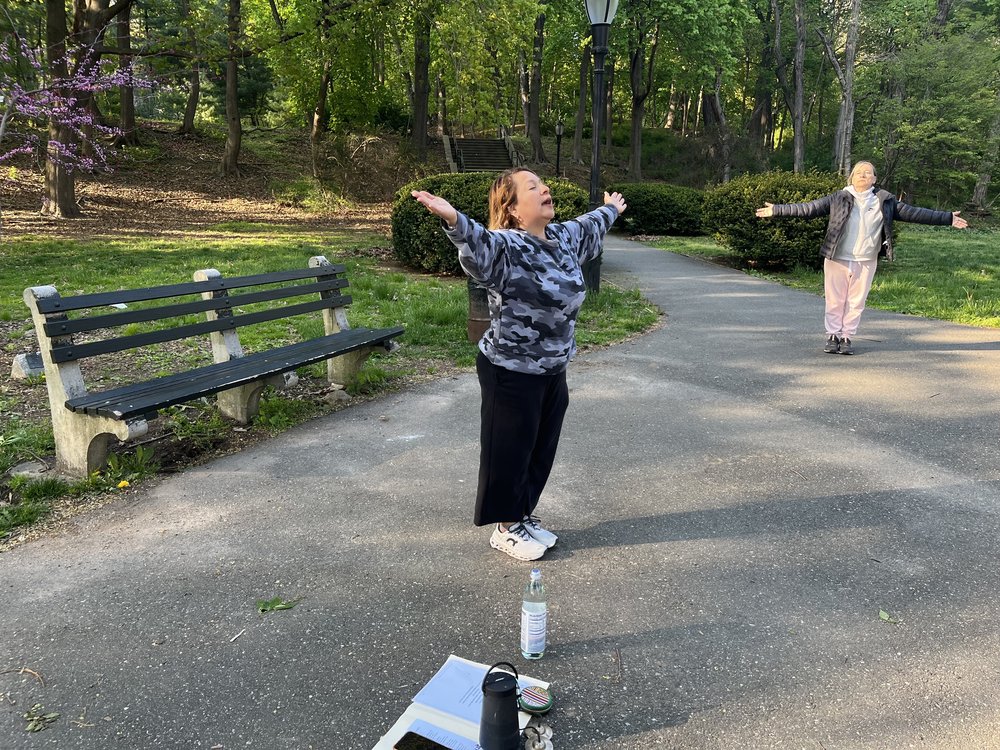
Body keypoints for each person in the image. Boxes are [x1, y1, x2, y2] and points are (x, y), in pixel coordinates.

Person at [411, 168, 626, 561]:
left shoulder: (562, 238)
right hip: (509, 369)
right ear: (511, 208)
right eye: (532, 187)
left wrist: (610, 208)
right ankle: (505, 527)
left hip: (552, 368)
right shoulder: (508, 246)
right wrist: (455, 220)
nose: (545, 189)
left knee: (540, 450)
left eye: (542, 184)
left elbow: (589, 225)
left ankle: (522, 515)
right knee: (508, 451)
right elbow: (478, 245)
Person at [755, 161, 968, 354]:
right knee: (835, 299)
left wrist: (947, 218)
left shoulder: (885, 200)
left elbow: (915, 213)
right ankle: (832, 335)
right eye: (858, 172)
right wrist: (777, 210)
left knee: (857, 301)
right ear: (852, 177)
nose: (863, 175)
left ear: (875, 179)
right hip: (837, 256)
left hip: (866, 259)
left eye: (868, 173)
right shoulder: (839, 197)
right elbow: (808, 208)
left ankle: (847, 337)